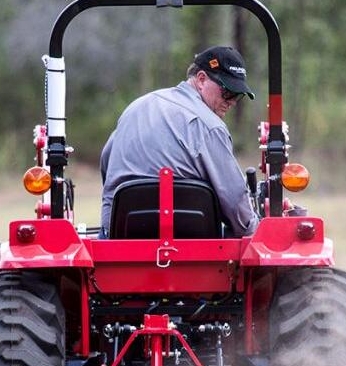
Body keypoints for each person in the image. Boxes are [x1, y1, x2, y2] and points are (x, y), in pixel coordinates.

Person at [99, 45, 260, 238]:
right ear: (201, 79)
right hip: (192, 245)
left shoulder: (135, 108)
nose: (232, 101)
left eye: (238, 96)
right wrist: (253, 227)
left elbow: (107, 164)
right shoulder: (210, 126)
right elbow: (235, 203)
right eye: (228, 92)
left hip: (121, 235)